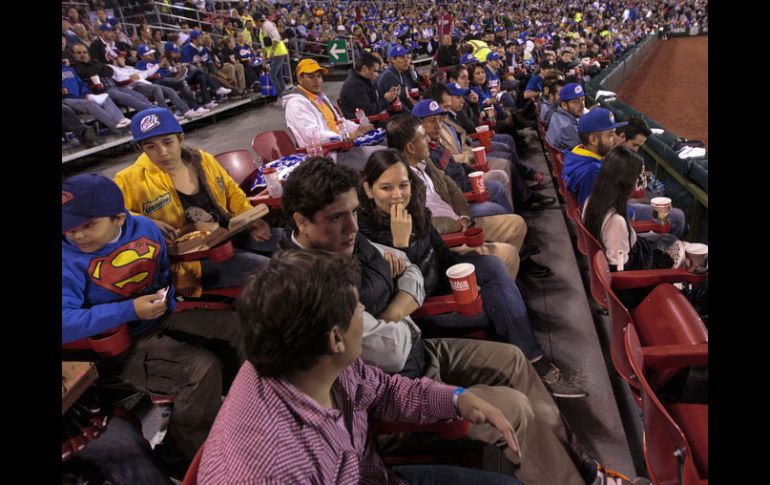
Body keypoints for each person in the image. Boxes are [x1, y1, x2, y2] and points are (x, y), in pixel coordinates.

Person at [278, 158, 595, 484]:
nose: (352, 227)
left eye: (354, 213)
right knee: (515, 409)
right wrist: (403, 302)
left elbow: (408, 268)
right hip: (396, 396)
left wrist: (394, 312)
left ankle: (578, 463)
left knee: (514, 358)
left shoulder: (347, 239)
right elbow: (392, 354)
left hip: (420, 349)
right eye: (336, 217)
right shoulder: (307, 284)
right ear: (302, 221)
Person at [199, 249, 521, 484]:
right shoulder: (269, 469)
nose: (364, 309)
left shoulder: (315, 361)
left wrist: (457, 399)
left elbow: (385, 390)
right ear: (335, 338)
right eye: (356, 307)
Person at [62, 174, 244, 460]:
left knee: (241, 328)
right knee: (200, 368)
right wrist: (130, 309)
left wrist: (167, 294)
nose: (78, 235)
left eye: (88, 225)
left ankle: (245, 411)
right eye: (70, 229)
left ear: (119, 219)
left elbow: (162, 275)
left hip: (161, 317)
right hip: (117, 348)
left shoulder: (145, 228)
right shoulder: (66, 259)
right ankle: (198, 454)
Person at [114, 108, 277, 297]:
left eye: (168, 142)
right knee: (273, 272)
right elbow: (109, 217)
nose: (163, 152)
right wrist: (145, 222)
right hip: (189, 264)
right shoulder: (129, 180)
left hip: (228, 236)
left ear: (180, 138)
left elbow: (233, 194)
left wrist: (251, 222)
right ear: (141, 148)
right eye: (151, 146)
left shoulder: (203, 160)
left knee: (292, 241)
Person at [283, 58, 385, 171]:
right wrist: (344, 137)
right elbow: (313, 136)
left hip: (343, 147)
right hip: (329, 157)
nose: (317, 81)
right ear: (300, 78)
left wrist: (358, 128)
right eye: (311, 77)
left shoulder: (319, 97)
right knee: (386, 157)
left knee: (387, 142)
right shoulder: (296, 104)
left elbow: (339, 121)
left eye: (319, 76)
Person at [616, 116, 686, 238]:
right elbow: (615, 201)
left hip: (619, 207)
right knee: (677, 216)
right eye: (634, 145)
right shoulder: (611, 161)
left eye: (639, 146)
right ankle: (666, 246)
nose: (636, 150)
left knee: (658, 200)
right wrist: (646, 201)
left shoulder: (618, 155)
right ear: (622, 137)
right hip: (619, 215)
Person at [338, 51, 400, 119]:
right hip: (368, 123)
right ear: (364, 68)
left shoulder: (367, 79)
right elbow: (368, 112)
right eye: (375, 71)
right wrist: (386, 99)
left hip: (378, 116)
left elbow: (376, 100)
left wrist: (391, 95)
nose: (377, 75)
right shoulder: (354, 85)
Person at [378, 45, 420, 112]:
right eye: (402, 57)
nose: (406, 60)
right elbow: (398, 102)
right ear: (393, 60)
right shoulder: (389, 76)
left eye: (406, 57)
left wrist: (412, 73)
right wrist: (414, 115)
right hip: (394, 116)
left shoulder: (402, 72)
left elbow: (411, 91)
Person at [254, 14, 289, 97]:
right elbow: (263, 46)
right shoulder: (261, 30)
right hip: (273, 54)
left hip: (278, 52)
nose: (255, 25)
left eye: (255, 22)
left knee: (272, 75)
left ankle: (281, 95)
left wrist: (272, 52)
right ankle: (284, 95)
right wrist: (264, 58)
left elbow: (277, 38)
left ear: (258, 21)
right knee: (278, 75)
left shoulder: (268, 25)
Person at [545, 82, 586, 151]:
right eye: (576, 101)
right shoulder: (568, 127)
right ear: (564, 105)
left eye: (583, 100)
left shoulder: (556, 115)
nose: (582, 105)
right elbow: (587, 149)